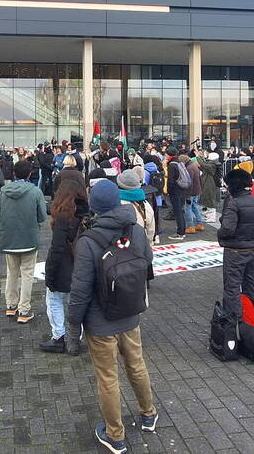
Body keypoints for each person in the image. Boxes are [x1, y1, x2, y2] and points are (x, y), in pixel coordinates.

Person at [68, 181, 157, 453]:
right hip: (130, 312)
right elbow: (147, 260)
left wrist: (73, 326)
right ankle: (148, 414)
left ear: (94, 206)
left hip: (100, 321)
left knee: (108, 377)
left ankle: (115, 434)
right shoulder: (135, 228)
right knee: (136, 364)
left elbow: (80, 290)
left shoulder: (88, 241)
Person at [41, 170, 88, 354]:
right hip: (83, 266)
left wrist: (50, 273)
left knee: (54, 300)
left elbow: (57, 248)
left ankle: (59, 337)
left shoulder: (63, 216)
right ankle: (75, 338)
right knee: (77, 304)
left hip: (64, 268)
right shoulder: (88, 213)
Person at [0, 160, 47, 324]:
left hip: (9, 239)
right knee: (27, 274)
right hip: (29, 238)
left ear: (13, 173)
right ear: (30, 174)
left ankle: (11, 305)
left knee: (11, 273)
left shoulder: (3, 192)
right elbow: (42, 216)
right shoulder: (35, 191)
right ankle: (24, 310)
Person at [220, 167, 254, 320]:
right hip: (251, 248)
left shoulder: (234, 203)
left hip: (235, 250)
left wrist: (221, 235)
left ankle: (234, 320)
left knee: (232, 286)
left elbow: (227, 229)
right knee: (252, 285)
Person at [118, 168, 156, 246]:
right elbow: (151, 230)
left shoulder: (116, 204)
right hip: (140, 245)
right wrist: (148, 245)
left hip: (121, 247)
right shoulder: (145, 204)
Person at [164, 147, 190, 240]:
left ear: (169, 155)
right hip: (182, 189)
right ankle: (182, 229)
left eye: (166, 154)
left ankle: (180, 233)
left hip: (175, 191)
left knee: (177, 212)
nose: (165, 155)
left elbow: (170, 181)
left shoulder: (172, 165)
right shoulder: (179, 162)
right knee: (180, 211)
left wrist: (167, 191)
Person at [182, 154, 204, 232]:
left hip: (191, 192)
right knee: (195, 207)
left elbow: (189, 182)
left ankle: (191, 226)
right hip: (197, 190)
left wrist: (187, 194)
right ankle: (200, 224)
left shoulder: (189, 168)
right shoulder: (194, 166)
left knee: (188, 208)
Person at [199, 151, 221, 224]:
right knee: (207, 200)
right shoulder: (213, 164)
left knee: (211, 201)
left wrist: (198, 157)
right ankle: (207, 216)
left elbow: (204, 165)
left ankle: (211, 217)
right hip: (208, 184)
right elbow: (203, 166)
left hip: (210, 184)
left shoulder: (213, 165)